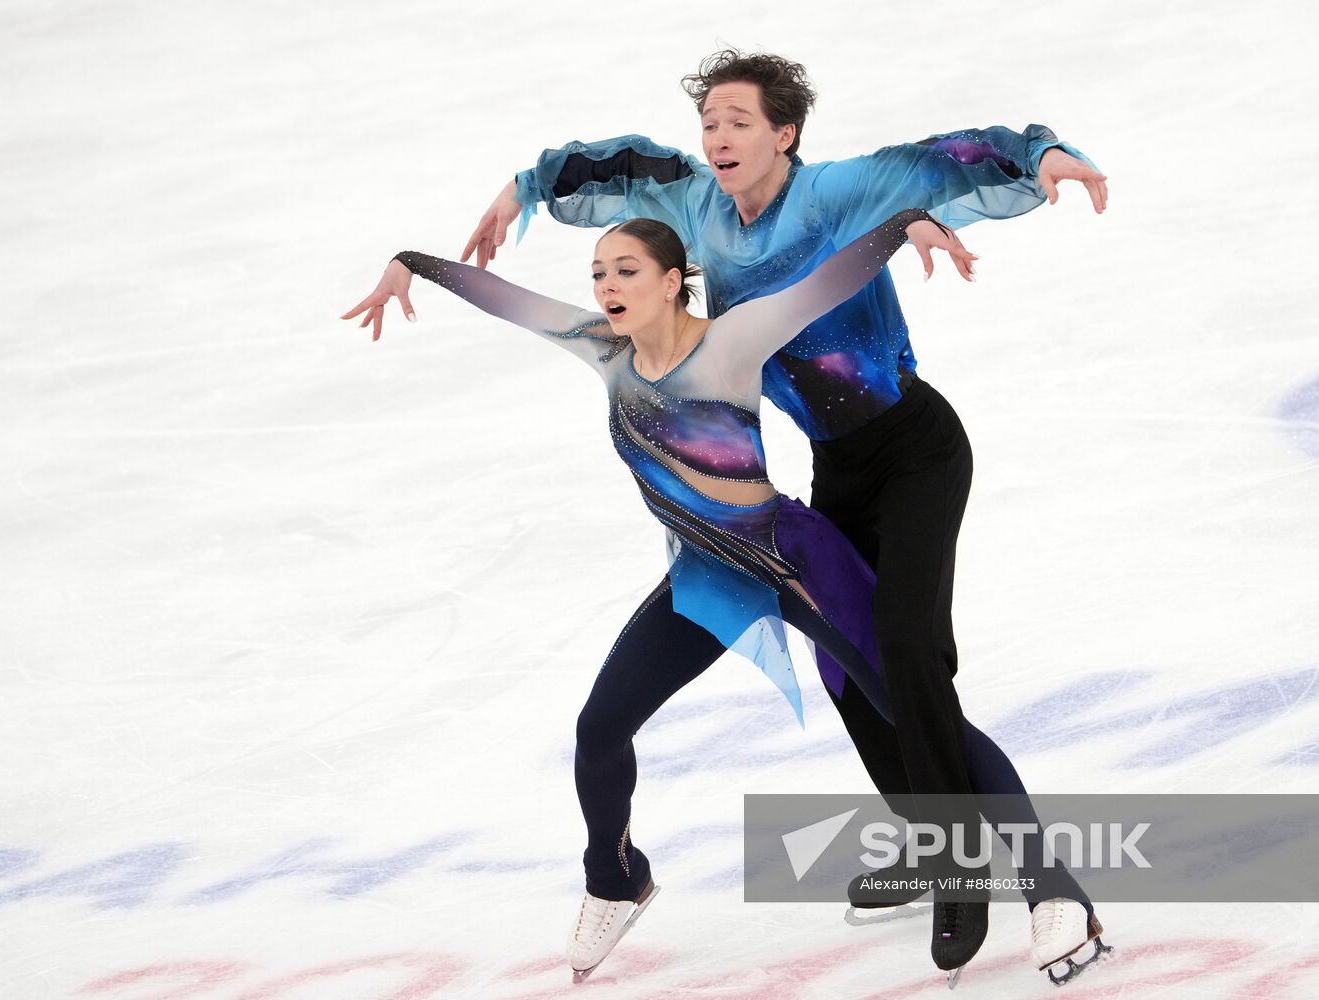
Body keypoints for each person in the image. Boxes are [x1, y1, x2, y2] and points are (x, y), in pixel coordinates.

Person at [457, 49, 1109, 979]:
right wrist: (527, 188)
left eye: (737, 122)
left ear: (784, 133)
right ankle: (934, 847)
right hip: (835, 467)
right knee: (859, 681)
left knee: (909, 658)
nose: (717, 138)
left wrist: (1039, 158)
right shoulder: (691, 207)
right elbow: (620, 169)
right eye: (709, 123)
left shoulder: (839, 192)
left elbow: (947, 158)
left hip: (916, 449)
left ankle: (1042, 892)